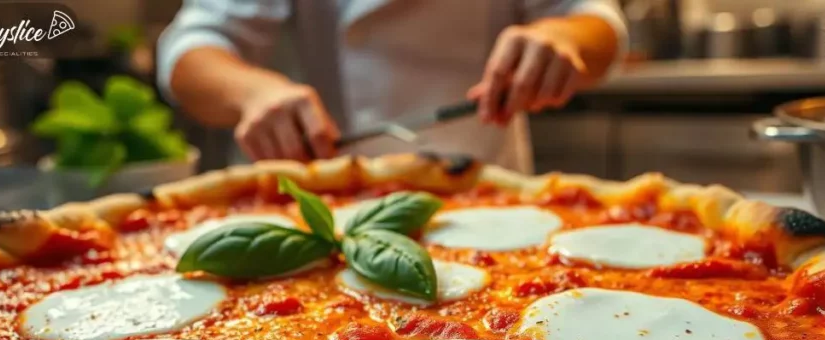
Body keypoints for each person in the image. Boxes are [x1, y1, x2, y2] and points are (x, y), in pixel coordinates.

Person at [158, 0, 626, 173]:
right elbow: (190, 49)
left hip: (486, 193)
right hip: (328, 195)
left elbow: (596, 22)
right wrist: (251, 92)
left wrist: (562, 38)